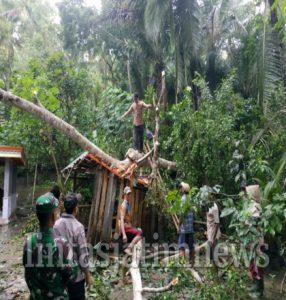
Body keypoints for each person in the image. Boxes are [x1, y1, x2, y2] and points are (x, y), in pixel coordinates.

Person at [23, 192, 78, 299]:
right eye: (57, 210)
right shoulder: (61, 244)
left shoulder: (28, 241)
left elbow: (28, 273)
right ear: (53, 215)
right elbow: (72, 275)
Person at [54, 193, 91, 300]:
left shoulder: (56, 225)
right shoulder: (78, 227)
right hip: (76, 278)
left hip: (60, 276)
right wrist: (87, 275)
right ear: (75, 208)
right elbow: (83, 254)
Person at [246, 185, 264, 298]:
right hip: (254, 241)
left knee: (257, 265)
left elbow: (255, 225)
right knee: (253, 264)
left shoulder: (255, 207)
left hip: (256, 241)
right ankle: (255, 285)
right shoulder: (254, 206)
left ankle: (259, 291)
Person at [120, 186, 142, 255]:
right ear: (124, 195)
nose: (129, 195)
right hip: (126, 228)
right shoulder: (123, 205)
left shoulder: (128, 204)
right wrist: (123, 234)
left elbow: (128, 218)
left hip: (129, 227)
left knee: (140, 231)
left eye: (130, 194)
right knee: (139, 233)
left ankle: (134, 251)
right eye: (127, 194)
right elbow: (121, 220)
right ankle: (128, 248)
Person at [177, 182, 195, 266]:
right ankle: (192, 264)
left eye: (181, 188)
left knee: (181, 247)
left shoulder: (183, 199)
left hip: (184, 228)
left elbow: (181, 214)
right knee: (191, 247)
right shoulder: (191, 199)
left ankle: (182, 265)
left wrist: (178, 226)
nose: (180, 189)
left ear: (183, 189)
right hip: (190, 228)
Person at [206, 198, 221, 267]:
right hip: (210, 233)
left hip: (213, 234)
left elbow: (217, 223)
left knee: (214, 255)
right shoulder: (209, 207)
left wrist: (214, 237)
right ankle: (214, 272)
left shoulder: (214, 208)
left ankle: (216, 273)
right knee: (211, 256)